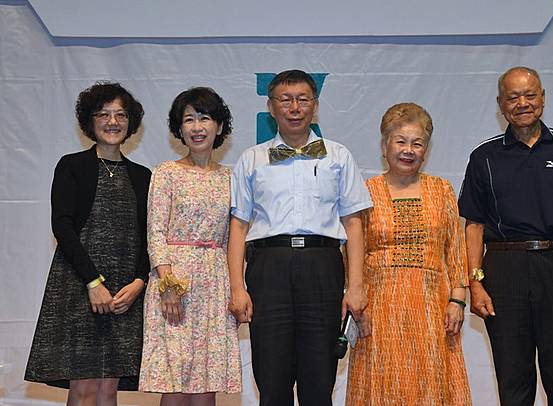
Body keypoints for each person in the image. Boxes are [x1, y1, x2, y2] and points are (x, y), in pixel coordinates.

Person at [458, 66, 553, 406]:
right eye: (513, 97)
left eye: (530, 95)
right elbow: (474, 225)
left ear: (543, 97)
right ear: (501, 104)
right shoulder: (484, 157)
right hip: (503, 272)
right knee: (514, 383)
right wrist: (475, 284)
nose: (522, 103)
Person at [227, 69, 372, 406]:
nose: (294, 108)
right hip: (268, 269)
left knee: (319, 378)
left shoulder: (338, 156)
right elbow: (238, 226)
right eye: (286, 100)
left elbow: (353, 224)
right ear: (271, 107)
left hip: (322, 267)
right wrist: (237, 287)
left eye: (303, 100)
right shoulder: (251, 159)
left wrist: (356, 286)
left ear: (315, 106)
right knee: (271, 378)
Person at [24, 82, 150, 406]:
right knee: (84, 391)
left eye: (120, 115)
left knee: (108, 391)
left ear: (130, 122)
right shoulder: (72, 166)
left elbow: (150, 237)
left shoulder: (143, 176)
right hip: (79, 288)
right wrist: (93, 283)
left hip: (124, 295)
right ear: (89, 121)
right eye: (103, 114)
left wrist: (139, 282)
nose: (113, 122)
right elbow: (62, 227)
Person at [346, 102, 472, 405]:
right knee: (382, 385)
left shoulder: (441, 190)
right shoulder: (365, 192)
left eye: (417, 143)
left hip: (433, 308)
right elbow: (352, 253)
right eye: (400, 141)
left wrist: (457, 300)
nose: (408, 150)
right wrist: (356, 301)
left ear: (426, 149)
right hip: (378, 309)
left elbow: (455, 249)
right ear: (384, 145)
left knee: (430, 384)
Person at [138, 87, 241, 405]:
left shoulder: (231, 178)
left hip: (215, 283)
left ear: (219, 126)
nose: (197, 127)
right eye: (189, 119)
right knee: (176, 382)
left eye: (205, 118)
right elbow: (155, 231)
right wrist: (168, 285)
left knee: (207, 383)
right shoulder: (166, 173)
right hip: (175, 283)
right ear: (179, 129)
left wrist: (236, 288)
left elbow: (234, 238)